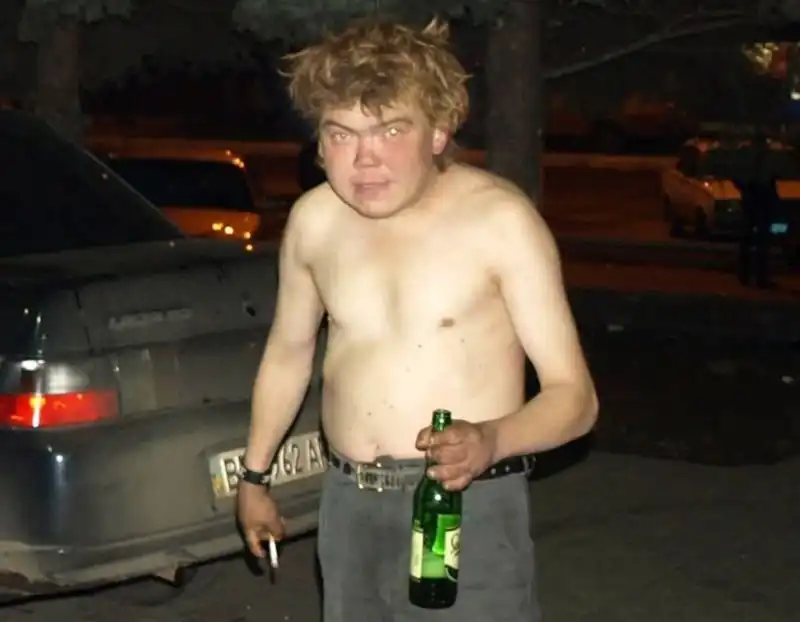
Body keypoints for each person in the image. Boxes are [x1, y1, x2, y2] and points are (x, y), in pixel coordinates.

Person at [236, 16, 598, 622]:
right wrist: (254, 475)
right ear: (319, 142)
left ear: (438, 130)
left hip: (462, 503)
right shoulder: (314, 221)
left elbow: (576, 399)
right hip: (347, 501)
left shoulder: (500, 222)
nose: (365, 159)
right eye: (342, 134)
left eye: (390, 130)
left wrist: (492, 440)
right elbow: (289, 353)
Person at [734, 135, 778, 288]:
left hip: (759, 198)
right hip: (754, 198)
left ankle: (756, 276)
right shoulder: (749, 160)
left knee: (758, 240)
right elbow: (738, 177)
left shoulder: (765, 159)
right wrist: (748, 187)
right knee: (752, 239)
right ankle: (749, 275)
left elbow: (771, 179)